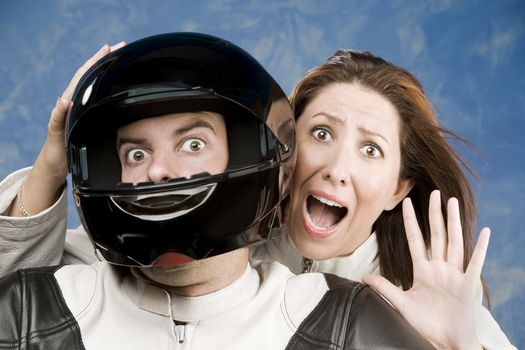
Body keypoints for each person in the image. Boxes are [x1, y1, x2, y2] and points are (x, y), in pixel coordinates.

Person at [0, 39, 515, 349]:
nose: (336, 168)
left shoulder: (424, 295)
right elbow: (19, 288)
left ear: (398, 189)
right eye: (321, 134)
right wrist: (52, 161)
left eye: (371, 150)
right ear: (279, 151)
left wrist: (458, 341)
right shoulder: (197, 234)